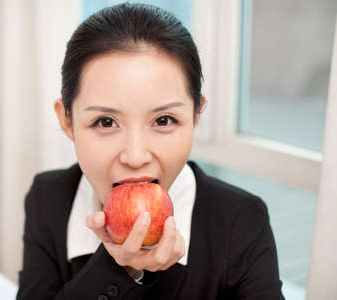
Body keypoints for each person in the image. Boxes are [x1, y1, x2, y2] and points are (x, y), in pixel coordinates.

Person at [16, 3, 284, 299]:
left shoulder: (242, 220)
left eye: (163, 120)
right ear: (67, 121)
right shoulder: (47, 199)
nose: (135, 156)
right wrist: (117, 268)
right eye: (105, 122)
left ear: (196, 115)